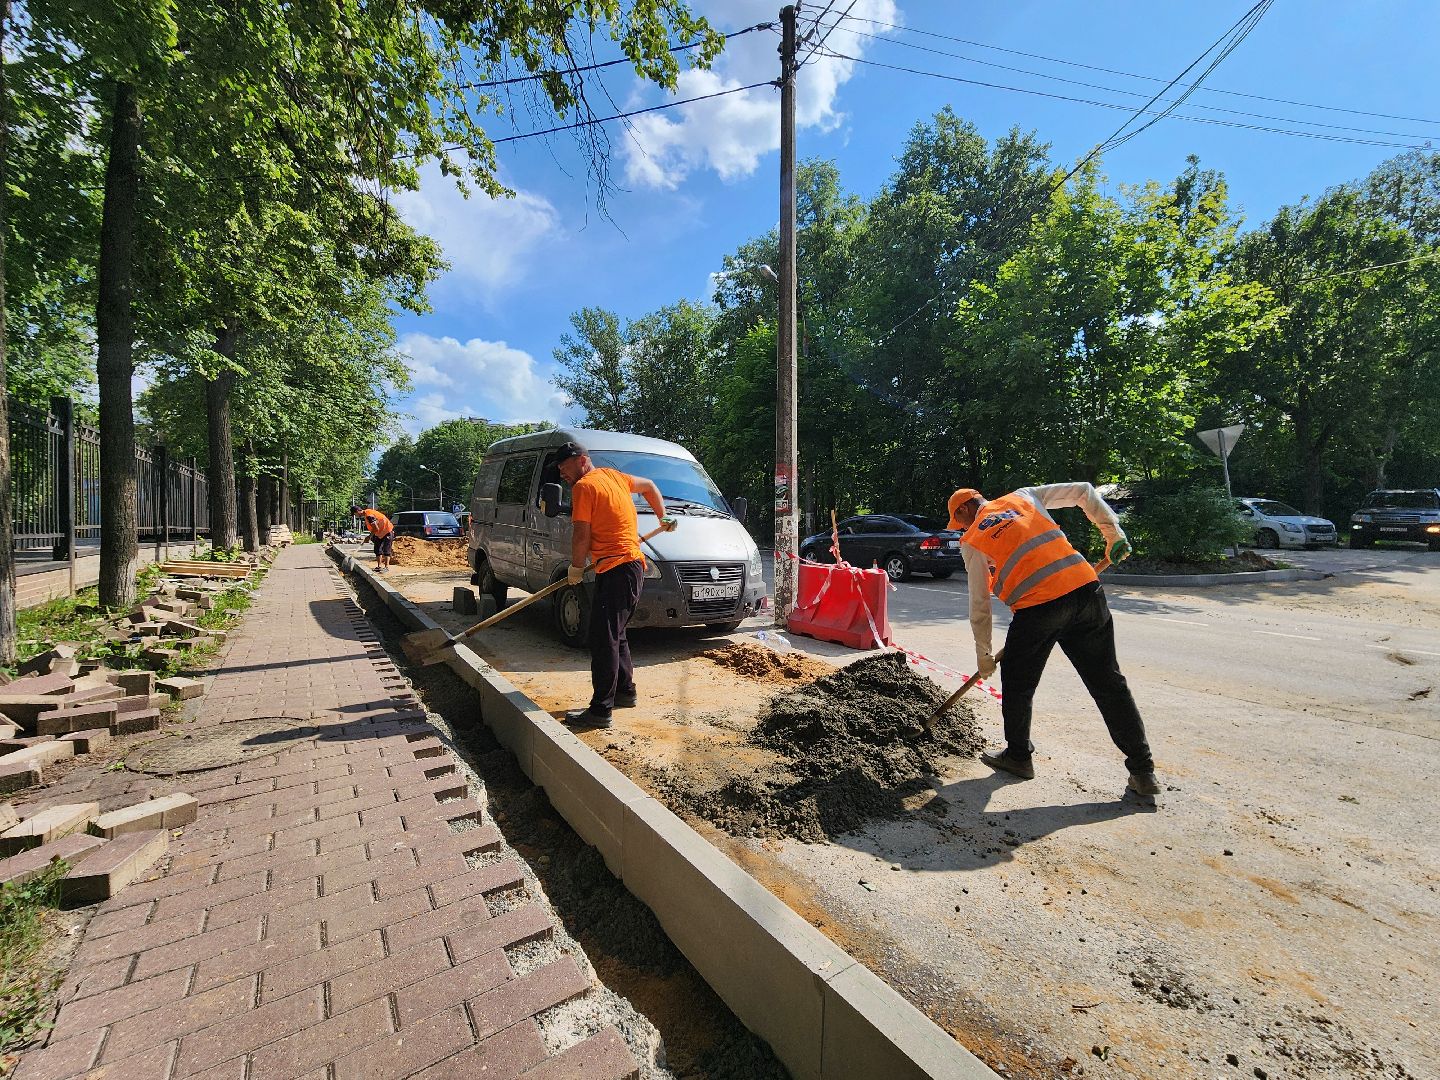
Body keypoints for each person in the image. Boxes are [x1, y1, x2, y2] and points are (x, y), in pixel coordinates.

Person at [946, 483, 1160, 797]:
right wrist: (1113, 533)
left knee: (1018, 683)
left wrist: (984, 653)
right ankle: (1143, 771)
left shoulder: (973, 538)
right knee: (1108, 682)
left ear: (964, 509)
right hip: (1086, 591)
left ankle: (1018, 757)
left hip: (1038, 608)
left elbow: (980, 603)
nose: (960, 527)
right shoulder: (1023, 497)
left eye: (958, 520)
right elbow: (1084, 491)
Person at [555, 442, 676, 727]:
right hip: (629, 567)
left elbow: (581, 532)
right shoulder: (614, 477)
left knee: (603, 637)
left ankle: (600, 710)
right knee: (616, 633)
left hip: (617, 567)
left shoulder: (584, 487)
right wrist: (664, 517)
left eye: (564, 466)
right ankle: (624, 691)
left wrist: (575, 567)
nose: (561, 473)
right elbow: (649, 486)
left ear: (582, 460)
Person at [352, 505, 394, 573]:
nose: (355, 516)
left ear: (357, 512)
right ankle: (379, 567)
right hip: (379, 533)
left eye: (354, 514)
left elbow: (376, 528)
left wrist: (369, 537)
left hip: (387, 531)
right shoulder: (367, 514)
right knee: (377, 549)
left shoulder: (369, 515)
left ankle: (386, 567)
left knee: (386, 550)